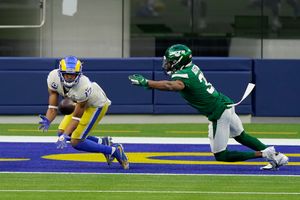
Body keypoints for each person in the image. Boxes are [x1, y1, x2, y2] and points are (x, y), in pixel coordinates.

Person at [128, 44, 288, 170]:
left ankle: (264, 153)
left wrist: (147, 83)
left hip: (218, 112)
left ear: (178, 61)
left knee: (221, 155)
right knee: (241, 136)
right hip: (225, 103)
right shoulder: (191, 67)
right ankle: (277, 156)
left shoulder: (183, 75)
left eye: (169, 61)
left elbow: (172, 85)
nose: (167, 64)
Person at [39, 56, 129, 170]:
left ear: (79, 74)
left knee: (76, 142)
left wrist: (65, 136)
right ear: (60, 73)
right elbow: (52, 107)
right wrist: (48, 120)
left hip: (95, 105)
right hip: (78, 104)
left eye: (73, 75)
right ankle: (103, 142)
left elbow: (76, 118)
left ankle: (114, 150)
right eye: (67, 74)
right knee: (61, 132)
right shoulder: (53, 77)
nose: (70, 78)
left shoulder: (83, 86)